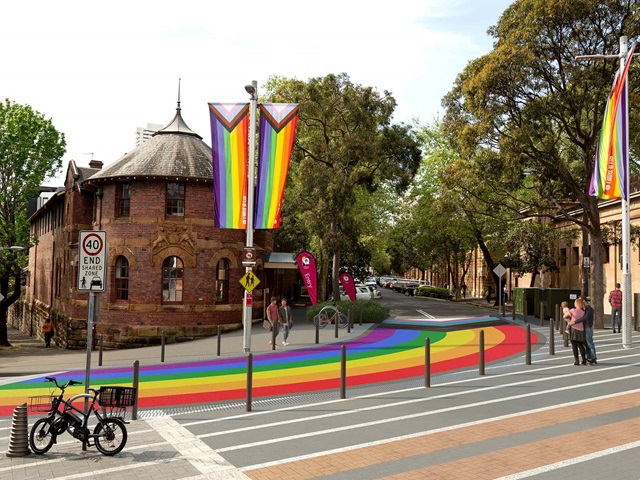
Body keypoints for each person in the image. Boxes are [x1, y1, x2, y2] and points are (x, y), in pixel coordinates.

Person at [570, 297, 597, 365]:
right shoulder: (583, 308)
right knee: (585, 344)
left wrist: (575, 322)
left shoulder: (589, 309)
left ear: (584, 301)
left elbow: (585, 317)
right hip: (583, 328)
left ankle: (593, 357)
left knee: (589, 343)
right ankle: (588, 357)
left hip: (588, 327)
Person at [565, 299, 587, 365]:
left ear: (577, 304)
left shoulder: (573, 310)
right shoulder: (583, 312)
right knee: (581, 345)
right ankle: (584, 359)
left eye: (575, 303)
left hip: (573, 329)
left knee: (574, 346)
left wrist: (569, 321)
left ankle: (576, 360)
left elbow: (564, 316)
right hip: (581, 330)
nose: (574, 304)